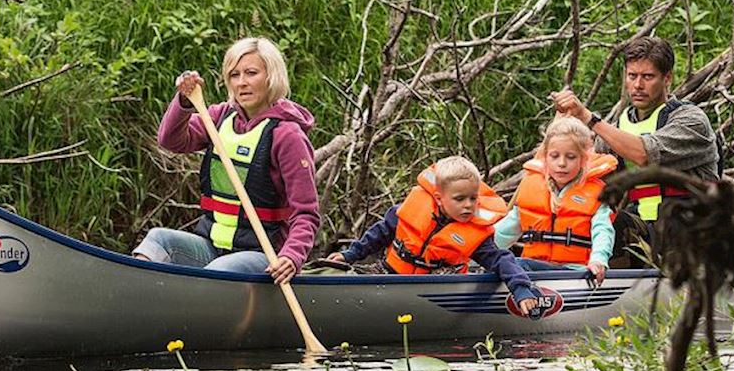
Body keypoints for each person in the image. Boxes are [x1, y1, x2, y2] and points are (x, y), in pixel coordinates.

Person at [132, 37, 320, 285]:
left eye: (251, 73)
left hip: (262, 256)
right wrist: (185, 103)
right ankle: (138, 296)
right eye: (234, 75)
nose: (242, 82)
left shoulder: (287, 136)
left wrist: (292, 257)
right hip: (213, 245)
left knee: (216, 272)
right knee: (158, 239)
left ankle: (189, 308)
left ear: (271, 76)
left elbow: (306, 214)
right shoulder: (220, 117)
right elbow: (170, 141)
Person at [326, 156, 544, 315]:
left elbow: (502, 259)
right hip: (391, 275)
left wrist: (521, 289)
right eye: (459, 199)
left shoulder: (476, 235)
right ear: (439, 198)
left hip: (434, 288)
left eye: (473, 198)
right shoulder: (408, 211)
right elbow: (378, 235)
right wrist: (350, 255)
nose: (468, 206)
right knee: (334, 272)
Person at [551, 35, 719, 233]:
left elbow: (644, 154)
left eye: (648, 77)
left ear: (667, 78)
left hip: (692, 226)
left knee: (617, 225)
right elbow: (580, 169)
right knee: (594, 219)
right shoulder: (620, 128)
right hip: (643, 226)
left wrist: (588, 117)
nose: (638, 85)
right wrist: (560, 123)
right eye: (632, 76)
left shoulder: (691, 121)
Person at [494, 116, 617, 283]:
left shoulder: (596, 193)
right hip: (534, 267)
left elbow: (603, 231)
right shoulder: (531, 188)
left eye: (571, 157)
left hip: (575, 271)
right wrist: (476, 253)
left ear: (583, 159)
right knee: (510, 263)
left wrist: (599, 260)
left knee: (516, 264)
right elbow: (504, 231)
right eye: (554, 156)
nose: (562, 163)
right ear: (545, 157)